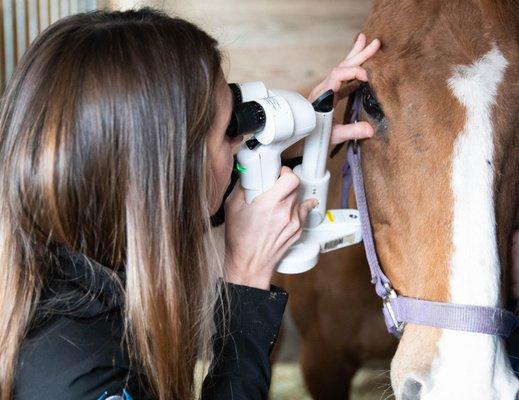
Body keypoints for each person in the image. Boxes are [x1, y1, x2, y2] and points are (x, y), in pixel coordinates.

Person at [0, 8, 379, 400]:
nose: (240, 139)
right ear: (172, 175)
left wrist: (305, 130)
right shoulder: (82, 378)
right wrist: (246, 279)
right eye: (229, 131)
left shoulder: (75, 254)